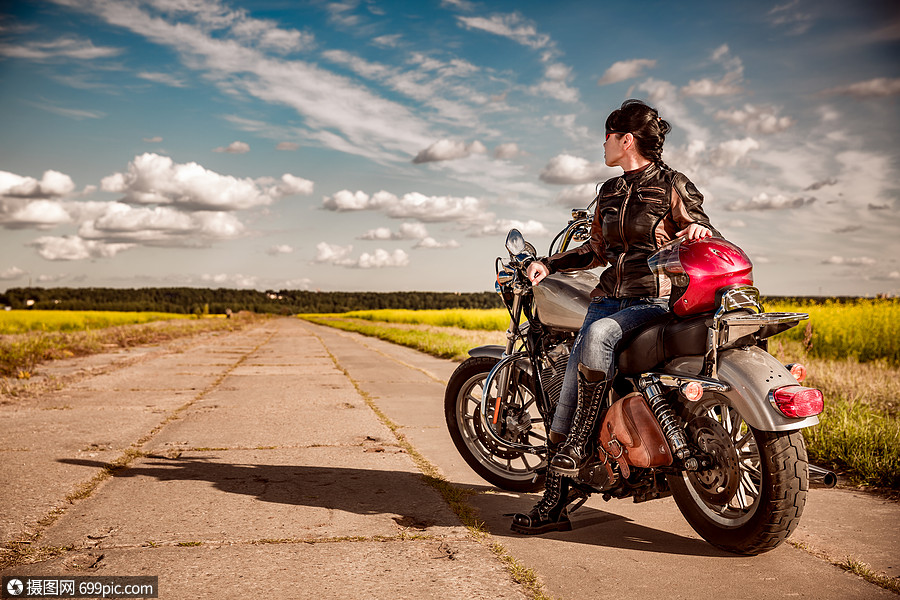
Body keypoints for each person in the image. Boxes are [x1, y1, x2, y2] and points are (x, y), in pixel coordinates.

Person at [511, 99, 719, 535]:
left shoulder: (670, 184)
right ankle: (559, 492)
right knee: (569, 387)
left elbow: (701, 229)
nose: (602, 143)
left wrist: (699, 230)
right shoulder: (610, 192)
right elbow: (597, 252)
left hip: (653, 303)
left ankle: (568, 461)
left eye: (607, 136)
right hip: (607, 299)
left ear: (626, 140)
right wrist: (549, 264)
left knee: (599, 336)